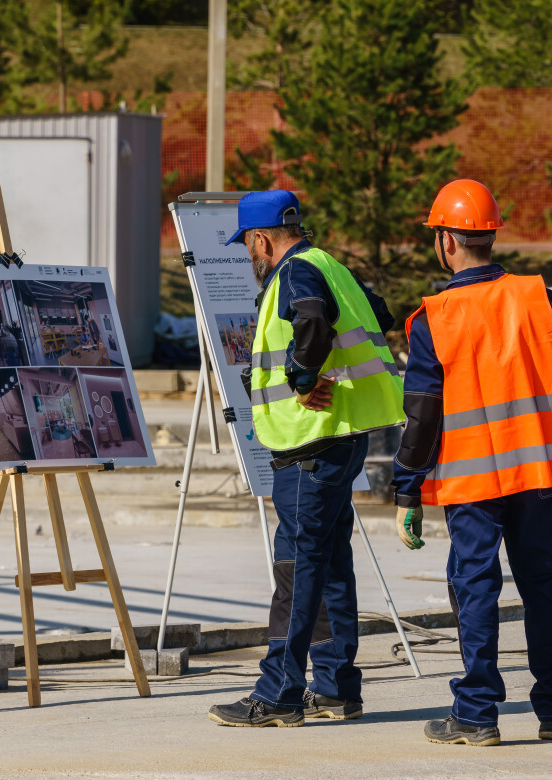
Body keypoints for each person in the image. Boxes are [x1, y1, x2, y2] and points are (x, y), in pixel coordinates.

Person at [393, 179, 552, 746]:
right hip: (536, 477)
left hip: (470, 487)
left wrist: (407, 489)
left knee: (476, 590)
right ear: (490, 236)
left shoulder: (433, 318)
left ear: (446, 241)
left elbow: (422, 415)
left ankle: (477, 715)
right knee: (543, 587)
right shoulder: (540, 299)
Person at [208, 190, 405, 727]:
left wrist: (302, 378)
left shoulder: (294, 273)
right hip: (341, 437)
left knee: (297, 567)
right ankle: (337, 688)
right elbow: (379, 313)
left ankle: (279, 693)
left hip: (310, 445)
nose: (250, 255)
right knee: (331, 563)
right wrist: (323, 369)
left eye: (248, 246)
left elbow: (313, 319)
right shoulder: (330, 265)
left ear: (261, 239)